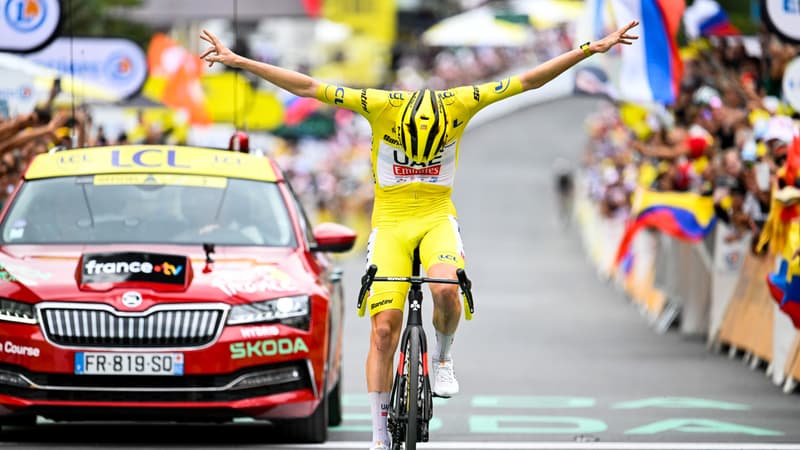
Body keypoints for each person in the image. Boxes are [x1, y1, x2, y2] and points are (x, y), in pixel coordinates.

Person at [200, 21, 639, 450]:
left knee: (446, 291)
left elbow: (528, 81)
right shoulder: (378, 103)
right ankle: (379, 434)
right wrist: (241, 61)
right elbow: (309, 87)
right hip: (390, 223)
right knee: (383, 331)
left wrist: (588, 49)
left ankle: (443, 358)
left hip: (435, 217)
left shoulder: (462, 101)